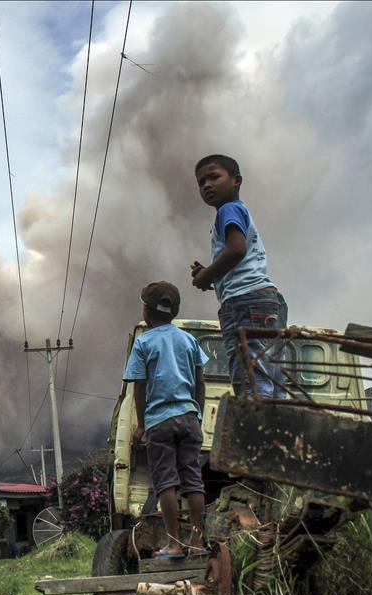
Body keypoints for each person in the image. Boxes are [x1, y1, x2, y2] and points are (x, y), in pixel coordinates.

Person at [190, 154, 288, 398]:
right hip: (265, 299)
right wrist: (210, 272)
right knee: (271, 375)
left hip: (244, 302)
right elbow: (237, 257)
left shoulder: (227, 210)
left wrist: (206, 277)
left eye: (214, 177)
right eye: (201, 182)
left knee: (250, 379)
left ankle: (253, 432)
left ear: (236, 181)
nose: (206, 186)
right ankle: (272, 430)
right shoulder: (239, 211)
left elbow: (236, 250)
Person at [123, 281, 208, 558]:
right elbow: (200, 383)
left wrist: (141, 425)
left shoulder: (144, 342)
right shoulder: (189, 340)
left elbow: (139, 385)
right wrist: (197, 414)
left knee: (166, 482)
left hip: (160, 421)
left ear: (147, 310)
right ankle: (197, 542)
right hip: (188, 417)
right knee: (193, 479)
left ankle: (174, 543)